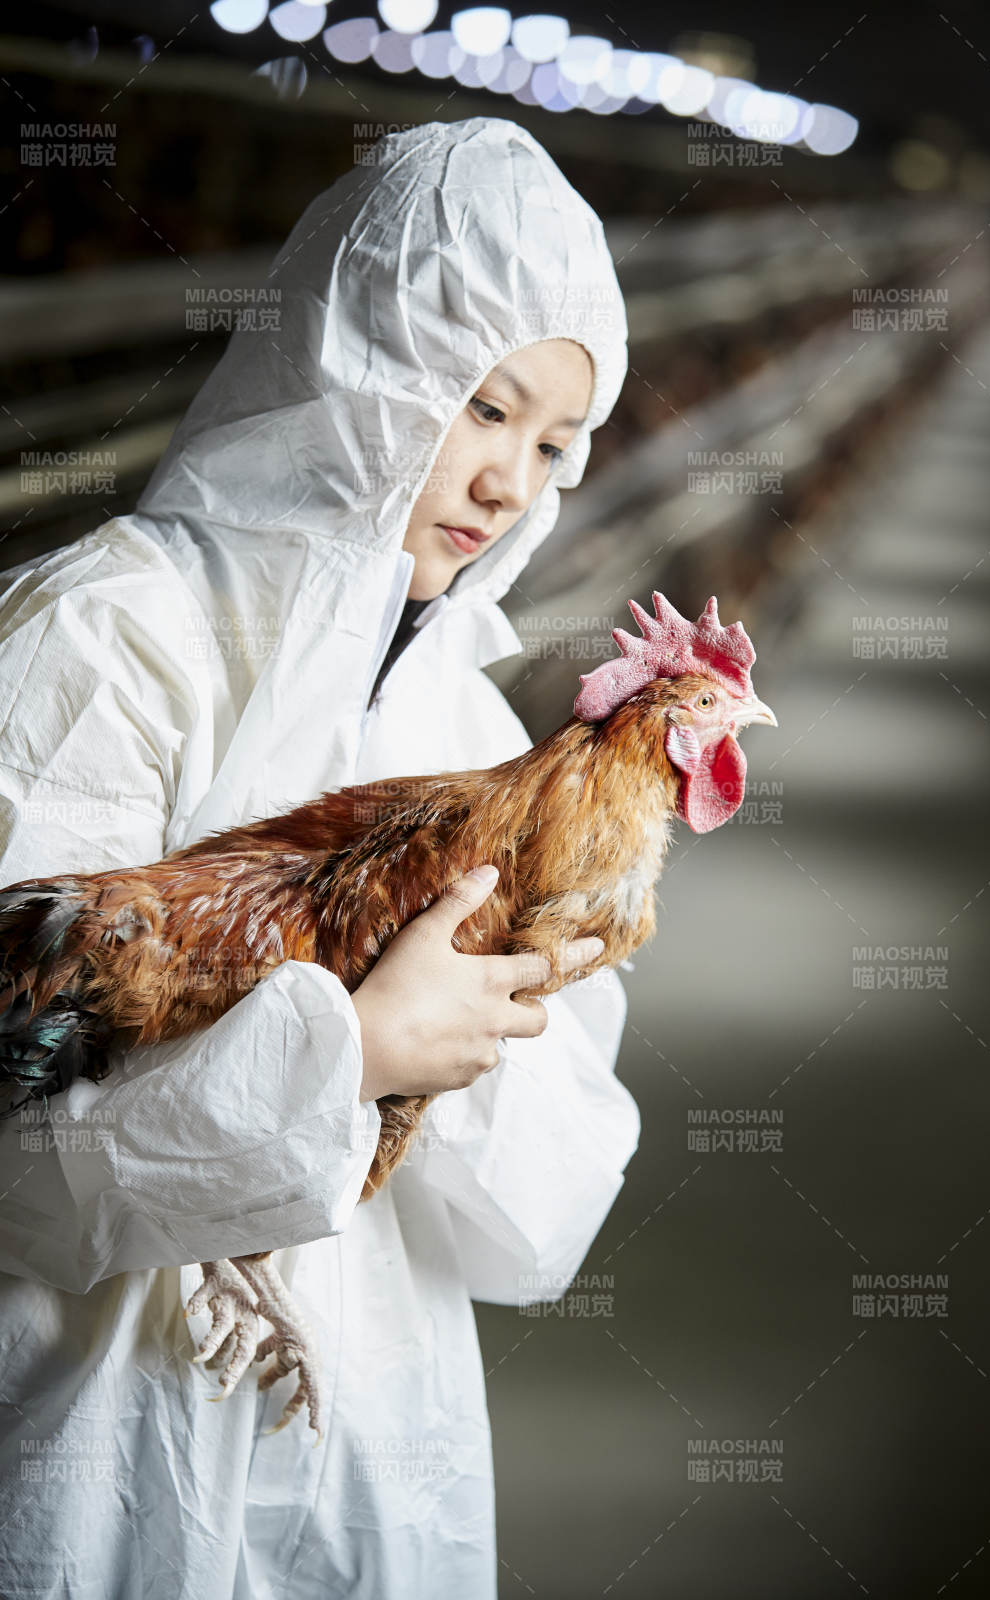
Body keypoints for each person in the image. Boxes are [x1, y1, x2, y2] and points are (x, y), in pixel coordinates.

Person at [0, 117, 639, 1597]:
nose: (509, 484)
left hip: (368, 1437)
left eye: (553, 446)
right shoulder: (103, 641)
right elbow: (21, 1175)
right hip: (97, 1428)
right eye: (484, 407)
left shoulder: (469, 722)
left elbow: (530, 1227)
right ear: (365, 359)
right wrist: (346, 1054)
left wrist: (471, 1051)